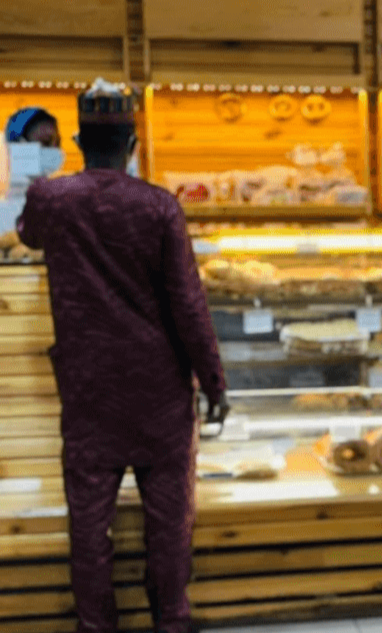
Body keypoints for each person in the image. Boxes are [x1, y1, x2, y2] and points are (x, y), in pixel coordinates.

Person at [16, 80, 229, 633]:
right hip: (159, 393)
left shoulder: (50, 200)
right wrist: (214, 383)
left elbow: (27, 235)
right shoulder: (160, 206)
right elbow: (189, 303)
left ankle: (96, 625)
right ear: (133, 144)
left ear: (80, 143)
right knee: (168, 522)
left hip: (88, 391)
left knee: (89, 523)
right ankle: (172, 619)